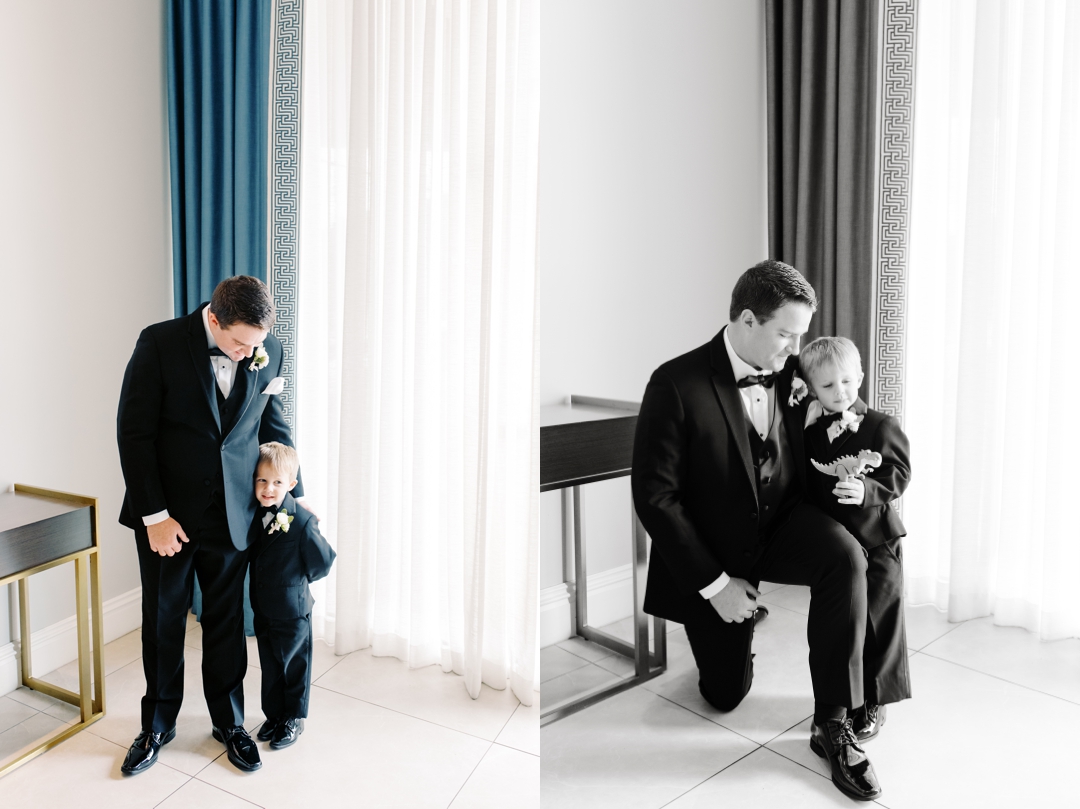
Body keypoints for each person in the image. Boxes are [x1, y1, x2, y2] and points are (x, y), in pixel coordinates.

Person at [631, 259, 882, 801]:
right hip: (717, 549)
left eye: (801, 335)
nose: (795, 349)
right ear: (748, 319)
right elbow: (656, 497)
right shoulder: (675, 383)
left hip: (786, 524)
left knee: (847, 559)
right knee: (724, 696)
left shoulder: (792, 372)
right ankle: (736, 636)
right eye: (786, 334)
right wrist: (716, 586)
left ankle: (833, 723)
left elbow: (850, 404)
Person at [116, 276, 304, 775]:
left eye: (256, 346)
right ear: (214, 319)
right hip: (167, 520)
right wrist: (154, 516)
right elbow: (134, 435)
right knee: (163, 623)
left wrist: (293, 500)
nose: (247, 354)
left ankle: (230, 722)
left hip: (233, 516)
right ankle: (156, 724)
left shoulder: (269, 349)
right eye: (239, 343)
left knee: (225, 625)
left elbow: (273, 424)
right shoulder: (159, 342)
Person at [797, 336, 911, 741]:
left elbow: (899, 474)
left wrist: (869, 491)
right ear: (812, 388)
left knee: (880, 621)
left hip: (878, 540)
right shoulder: (807, 431)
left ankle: (874, 700)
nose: (839, 392)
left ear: (860, 376)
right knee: (847, 623)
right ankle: (842, 698)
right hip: (839, 544)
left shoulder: (882, 425)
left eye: (847, 381)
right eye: (827, 386)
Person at [248, 442, 336, 750]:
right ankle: (274, 715)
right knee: (270, 664)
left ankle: (293, 718)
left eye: (277, 482)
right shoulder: (253, 517)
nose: (268, 488)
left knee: (294, 663)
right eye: (262, 480)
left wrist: (298, 580)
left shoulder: (301, 520)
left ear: (292, 485)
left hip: (292, 607)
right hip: (263, 608)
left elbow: (323, 560)